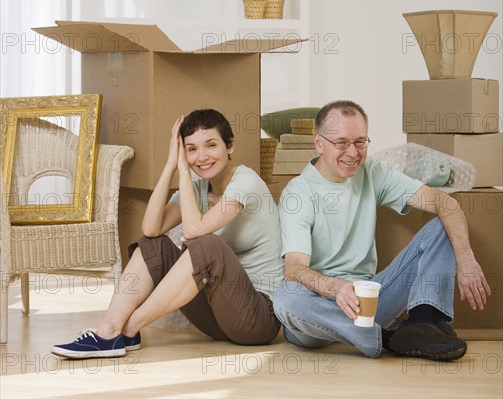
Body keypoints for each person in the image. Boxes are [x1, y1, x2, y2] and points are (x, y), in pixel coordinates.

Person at [52, 109, 283, 358]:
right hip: (218, 317)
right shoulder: (197, 189)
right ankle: (108, 330)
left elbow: (195, 230)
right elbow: (151, 228)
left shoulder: (247, 182)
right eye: (191, 149)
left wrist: (184, 172)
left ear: (229, 146)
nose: (201, 157)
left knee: (206, 245)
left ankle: (128, 328)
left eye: (211, 145)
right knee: (154, 244)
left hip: (257, 319)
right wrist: (170, 165)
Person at [273, 100, 490, 361]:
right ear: (319, 143)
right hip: (316, 312)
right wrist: (337, 287)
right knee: (286, 298)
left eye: (360, 142)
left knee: (442, 226)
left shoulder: (373, 171)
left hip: (368, 303)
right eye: (341, 143)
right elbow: (294, 269)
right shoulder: (298, 193)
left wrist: (466, 260)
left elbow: (446, 204)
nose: (352, 152)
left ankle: (423, 324)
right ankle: (389, 339)